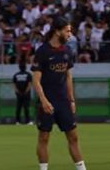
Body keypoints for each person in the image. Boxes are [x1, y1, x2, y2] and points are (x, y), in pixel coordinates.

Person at [31, 17, 86, 170]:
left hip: (63, 102)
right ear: (57, 31)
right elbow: (36, 80)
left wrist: (72, 100)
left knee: (73, 137)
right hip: (47, 102)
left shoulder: (68, 51)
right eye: (67, 31)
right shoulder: (42, 52)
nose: (70, 34)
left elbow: (68, 77)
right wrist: (43, 101)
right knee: (44, 137)